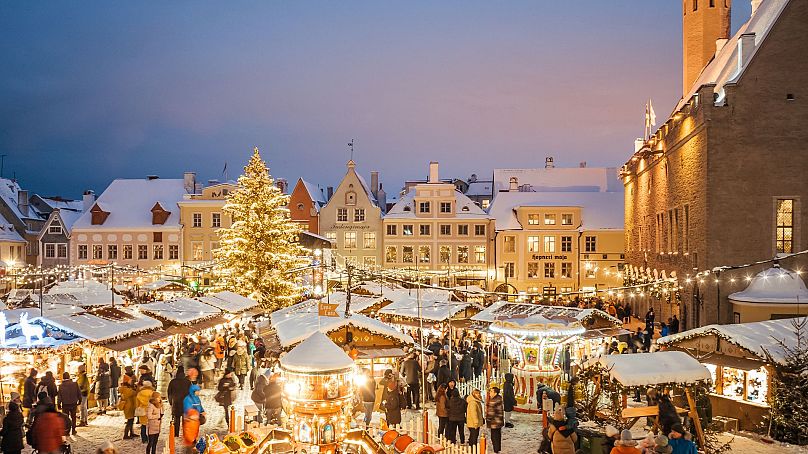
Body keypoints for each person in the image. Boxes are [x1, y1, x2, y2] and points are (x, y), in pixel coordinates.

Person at [167, 366, 192, 438]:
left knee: (176, 419)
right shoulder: (188, 382)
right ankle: (185, 433)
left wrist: (170, 402)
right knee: (185, 419)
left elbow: (169, 393)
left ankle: (176, 433)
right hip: (185, 402)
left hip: (176, 402)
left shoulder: (173, 382)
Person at [485, 387, 504, 454]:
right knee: (498, 435)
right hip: (499, 420)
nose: (490, 393)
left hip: (494, 421)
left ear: (495, 393)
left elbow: (491, 413)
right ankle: (498, 448)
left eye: (491, 392)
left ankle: (496, 449)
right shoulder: (499, 398)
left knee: (494, 436)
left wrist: (487, 419)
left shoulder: (493, 401)